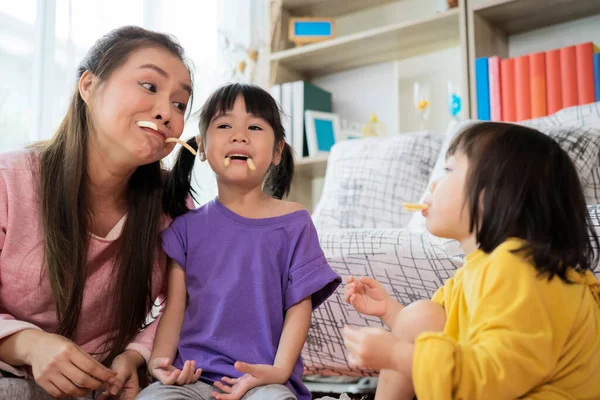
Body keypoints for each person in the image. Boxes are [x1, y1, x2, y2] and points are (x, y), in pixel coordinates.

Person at [0, 25, 193, 399]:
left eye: (180, 104)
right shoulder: (10, 182)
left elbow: (189, 304)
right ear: (88, 86)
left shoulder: (174, 205)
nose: (166, 112)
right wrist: (28, 344)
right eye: (150, 86)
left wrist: (134, 356)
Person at [343, 122, 600, 399]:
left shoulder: (520, 269)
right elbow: (446, 328)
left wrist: (397, 355)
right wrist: (391, 312)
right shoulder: (480, 269)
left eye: (450, 170)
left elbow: (492, 378)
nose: (433, 183)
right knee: (422, 314)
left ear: (492, 194)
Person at [136, 83, 341, 400]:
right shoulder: (184, 229)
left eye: (255, 126)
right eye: (224, 125)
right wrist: (160, 364)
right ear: (202, 147)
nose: (239, 135)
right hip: (192, 378)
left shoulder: (295, 222)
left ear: (276, 151)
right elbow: (174, 307)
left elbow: (299, 308)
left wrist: (279, 371)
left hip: (262, 381)